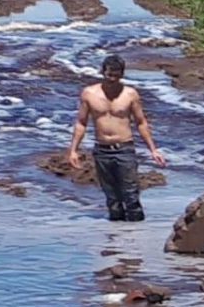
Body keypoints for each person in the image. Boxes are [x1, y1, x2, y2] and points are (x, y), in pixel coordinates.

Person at [68, 55, 166, 222]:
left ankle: (136, 239)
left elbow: (141, 122)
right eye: (109, 74)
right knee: (112, 199)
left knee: (131, 196)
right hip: (102, 150)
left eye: (117, 75)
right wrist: (73, 150)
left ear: (122, 74)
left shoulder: (130, 94)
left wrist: (153, 149)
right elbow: (81, 123)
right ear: (102, 72)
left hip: (124, 149)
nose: (113, 78)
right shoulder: (89, 93)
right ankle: (115, 242)